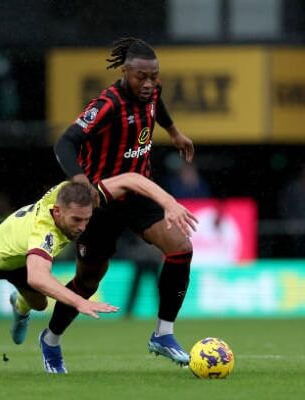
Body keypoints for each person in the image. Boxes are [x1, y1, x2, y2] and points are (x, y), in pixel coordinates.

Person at [0, 172, 197, 372]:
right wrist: (80, 301)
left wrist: (168, 202)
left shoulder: (77, 196)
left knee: (39, 302)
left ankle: (20, 304)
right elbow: (38, 277)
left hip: (19, 255)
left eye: (87, 219)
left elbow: (132, 178)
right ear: (57, 213)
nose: (82, 227)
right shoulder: (46, 231)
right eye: (76, 220)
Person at [47, 37, 196, 373]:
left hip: (138, 193)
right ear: (125, 72)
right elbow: (65, 142)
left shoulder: (153, 92)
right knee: (88, 282)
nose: (148, 84)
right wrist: (79, 180)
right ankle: (51, 339)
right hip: (101, 201)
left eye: (153, 76)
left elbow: (159, 107)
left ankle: (163, 333)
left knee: (180, 248)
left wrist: (174, 132)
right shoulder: (107, 104)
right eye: (141, 77)